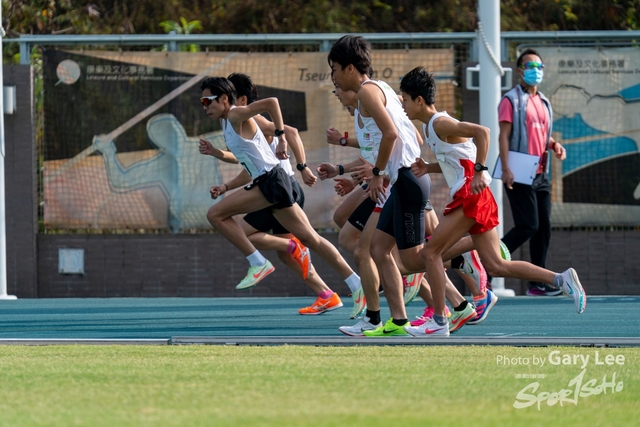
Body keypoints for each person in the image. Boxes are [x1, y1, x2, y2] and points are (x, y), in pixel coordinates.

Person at [399, 66, 586, 338]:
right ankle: (561, 279)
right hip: (474, 197)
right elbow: (456, 161)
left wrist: (480, 170)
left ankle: (439, 320)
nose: (402, 105)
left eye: (404, 99)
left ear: (418, 100)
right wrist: (429, 167)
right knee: (497, 265)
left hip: (470, 197)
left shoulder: (439, 123)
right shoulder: (431, 128)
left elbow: (483, 133)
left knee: (429, 254)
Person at [200, 76, 364, 314]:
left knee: (216, 214)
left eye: (208, 101)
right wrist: (219, 161)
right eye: (202, 103)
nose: (205, 107)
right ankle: (356, 284)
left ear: (225, 99)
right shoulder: (229, 121)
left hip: (271, 181)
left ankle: (258, 263)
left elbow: (273, 103)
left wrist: (282, 140)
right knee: (310, 239)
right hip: (271, 181)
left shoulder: (236, 114)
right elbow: (247, 159)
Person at [498, 48, 567, 296]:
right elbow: (503, 136)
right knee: (528, 225)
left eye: (539, 67)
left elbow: (543, 137)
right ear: (519, 71)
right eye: (530, 67)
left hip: (541, 174)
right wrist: (506, 168)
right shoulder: (511, 100)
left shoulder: (544, 101)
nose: (535, 71)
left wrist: (554, 145)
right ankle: (488, 257)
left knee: (544, 226)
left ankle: (537, 284)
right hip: (518, 171)